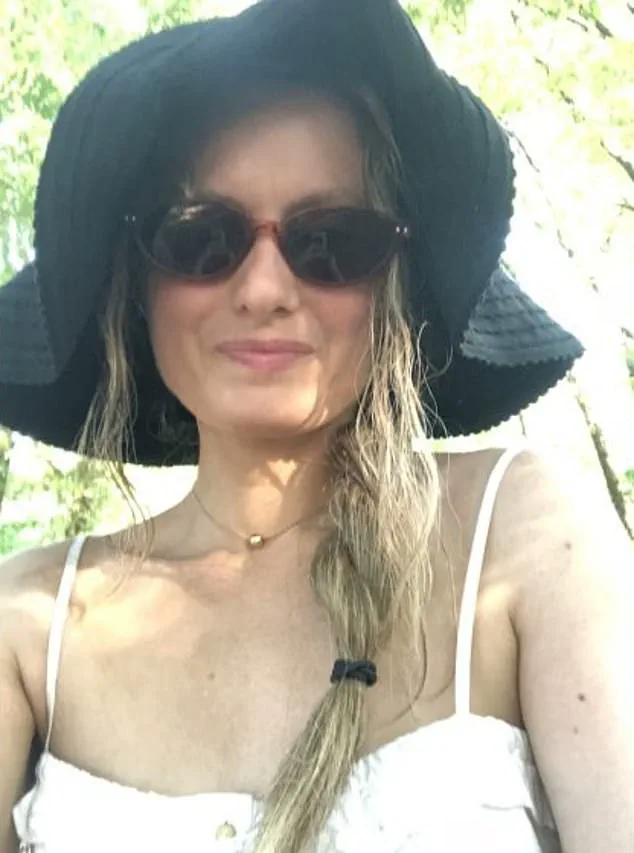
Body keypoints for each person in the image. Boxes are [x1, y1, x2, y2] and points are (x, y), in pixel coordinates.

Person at [0, 0, 632, 851]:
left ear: (393, 284)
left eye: (333, 240)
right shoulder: (28, 623)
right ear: (140, 286)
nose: (264, 288)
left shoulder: (522, 534)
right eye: (199, 238)